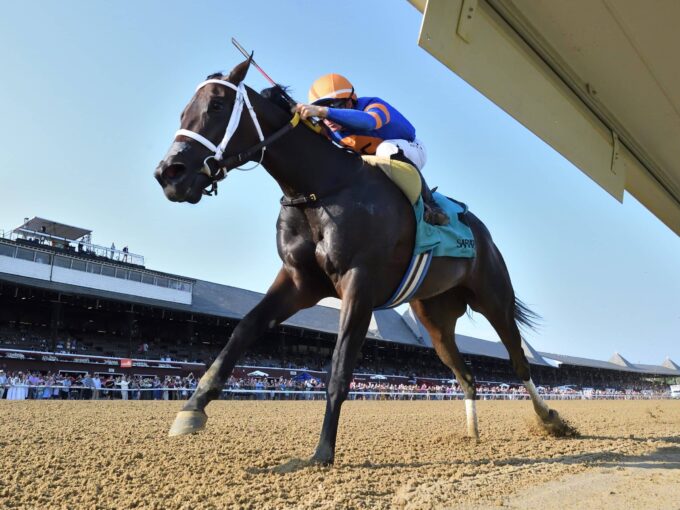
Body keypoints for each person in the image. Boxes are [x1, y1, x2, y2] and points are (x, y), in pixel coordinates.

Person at [295, 73, 449, 225]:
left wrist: (322, 111)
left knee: (385, 149)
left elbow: (369, 122)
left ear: (350, 102)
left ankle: (432, 206)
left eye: (334, 106)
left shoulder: (374, 105)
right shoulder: (328, 128)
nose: (328, 120)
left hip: (411, 150)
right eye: (321, 112)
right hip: (375, 164)